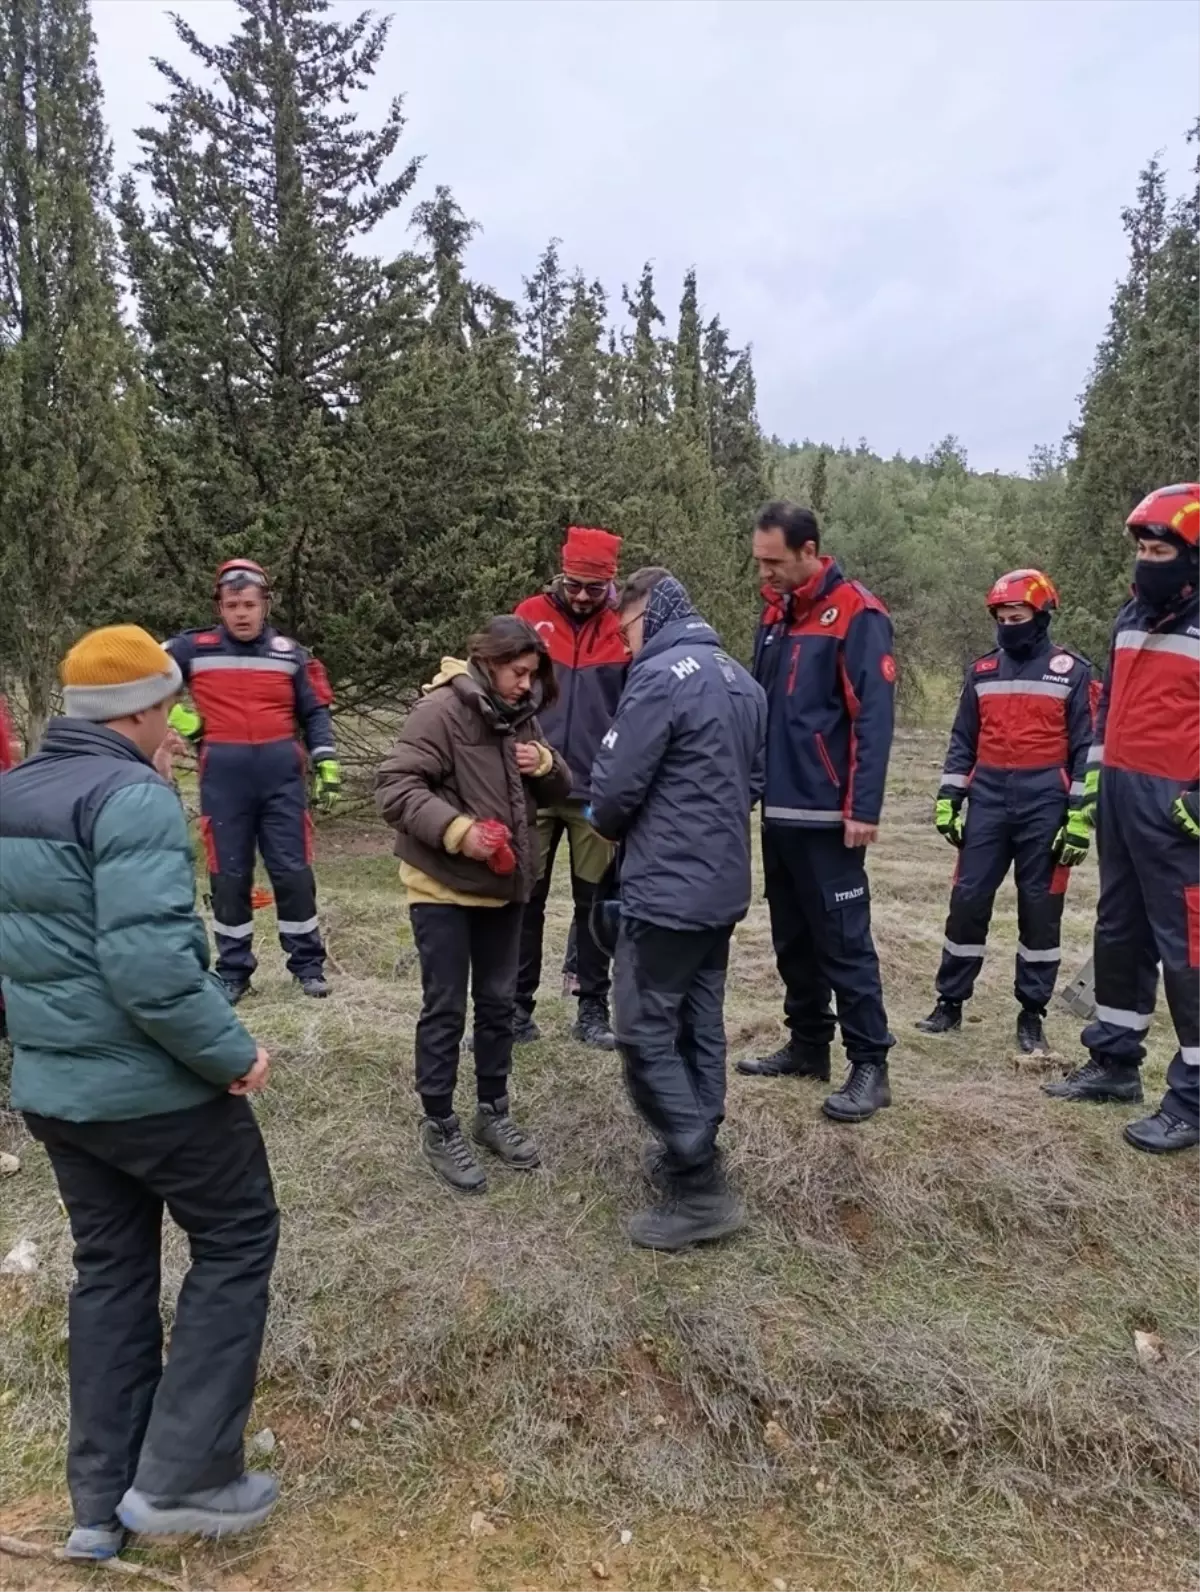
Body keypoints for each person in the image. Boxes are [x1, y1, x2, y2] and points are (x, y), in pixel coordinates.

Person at [0, 626, 280, 1559]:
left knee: (112, 1272)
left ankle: (99, 1505)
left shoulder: (13, 794)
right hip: (154, 1094)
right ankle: (185, 1475)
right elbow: (152, 970)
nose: (178, 725)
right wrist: (230, 1054)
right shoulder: (134, 797)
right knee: (238, 1235)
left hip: (56, 1094)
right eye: (173, 707)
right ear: (145, 708)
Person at [590, 570, 767, 1251]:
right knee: (699, 1020)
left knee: (641, 1029)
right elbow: (751, 781)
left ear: (650, 613)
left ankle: (698, 1182)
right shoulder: (740, 680)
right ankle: (693, 1145)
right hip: (719, 886)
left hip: (664, 888)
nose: (625, 646)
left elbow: (612, 791)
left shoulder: (661, 676)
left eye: (627, 629)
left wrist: (620, 824)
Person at [375, 616, 571, 1193]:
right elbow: (395, 786)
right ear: (488, 662)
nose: (526, 684)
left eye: (533, 674)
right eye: (518, 672)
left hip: (504, 889)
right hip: (442, 887)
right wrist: (459, 832)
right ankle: (439, 1123)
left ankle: (493, 1109)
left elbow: (557, 790)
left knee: (498, 1003)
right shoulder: (439, 712)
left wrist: (549, 767)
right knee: (445, 1008)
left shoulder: (518, 715)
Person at [1045, 482, 1200, 1149]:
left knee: (1189, 956)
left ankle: (1194, 1099)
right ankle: (1113, 1061)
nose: (1146, 560)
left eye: (1159, 547)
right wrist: (1092, 789)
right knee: (1118, 936)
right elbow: (1109, 712)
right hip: (1121, 804)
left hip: (1181, 815)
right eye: (1140, 546)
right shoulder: (1131, 618)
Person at [737, 500, 897, 1123]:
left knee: (843, 942)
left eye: (774, 562)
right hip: (778, 812)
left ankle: (870, 1064)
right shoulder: (774, 615)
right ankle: (808, 1045)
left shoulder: (857, 612)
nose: (766, 572)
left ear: (809, 551)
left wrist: (862, 807)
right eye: (759, 561)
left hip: (829, 816)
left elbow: (873, 717)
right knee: (792, 939)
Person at [917, 571, 1095, 1054]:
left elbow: (1088, 751)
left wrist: (1080, 816)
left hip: (1046, 802)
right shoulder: (981, 673)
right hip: (989, 799)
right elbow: (962, 742)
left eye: (1017, 617)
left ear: (1041, 617)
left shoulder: (1073, 672)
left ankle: (1031, 1013)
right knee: (968, 902)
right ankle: (950, 1002)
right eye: (1001, 618)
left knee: (1040, 911)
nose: (1008, 625)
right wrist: (950, 798)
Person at [166, 559, 341, 1003]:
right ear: (219, 608)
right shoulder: (193, 649)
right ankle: (234, 971)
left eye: (249, 604)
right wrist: (180, 719)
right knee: (229, 877)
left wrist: (326, 760)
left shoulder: (289, 653)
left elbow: (315, 712)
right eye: (232, 605)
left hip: (282, 779)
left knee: (293, 873)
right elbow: (140, 677)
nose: (241, 613)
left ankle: (307, 966)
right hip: (223, 782)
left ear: (265, 604)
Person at [513, 527, 628, 1048]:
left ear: (612, 584)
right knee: (523, 900)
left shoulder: (625, 626)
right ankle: (515, 1009)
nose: (582, 596)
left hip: (595, 795)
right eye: (574, 584)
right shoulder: (528, 615)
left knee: (595, 904)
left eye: (594, 588)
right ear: (560, 575)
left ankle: (592, 1008)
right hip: (533, 786)